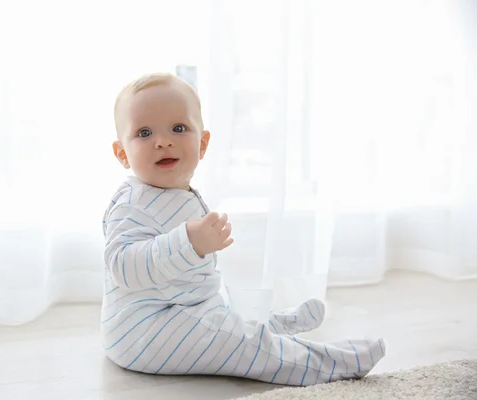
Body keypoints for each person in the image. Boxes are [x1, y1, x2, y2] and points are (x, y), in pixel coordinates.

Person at [101, 72, 385, 385]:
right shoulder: (132, 203)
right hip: (148, 332)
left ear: (203, 143)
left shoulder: (175, 191)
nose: (163, 140)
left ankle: (272, 322)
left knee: (227, 316)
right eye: (144, 133)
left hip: (185, 311)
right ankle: (331, 363)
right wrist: (188, 242)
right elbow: (121, 266)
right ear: (122, 154)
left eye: (179, 128)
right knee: (244, 346)